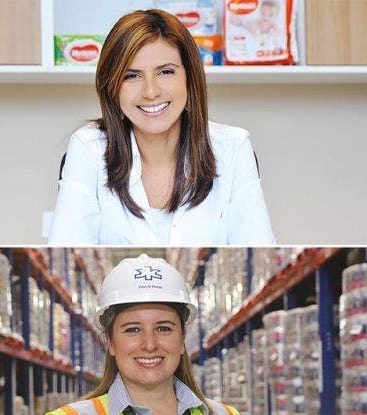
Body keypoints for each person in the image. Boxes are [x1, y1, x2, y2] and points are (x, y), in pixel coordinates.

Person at [48, 9, 275, 245]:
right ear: (112, 87)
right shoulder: (88, 148)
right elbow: (70, 248)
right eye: (131, 76)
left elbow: (257, 249)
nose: (151, 91)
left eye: (165, 72)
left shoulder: (233, 147)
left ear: (190, 78)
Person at [36, 254, 256, 415]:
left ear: (182, 339)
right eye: (132, 330)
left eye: (163, 328)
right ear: (110, 341)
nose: (149, 344)